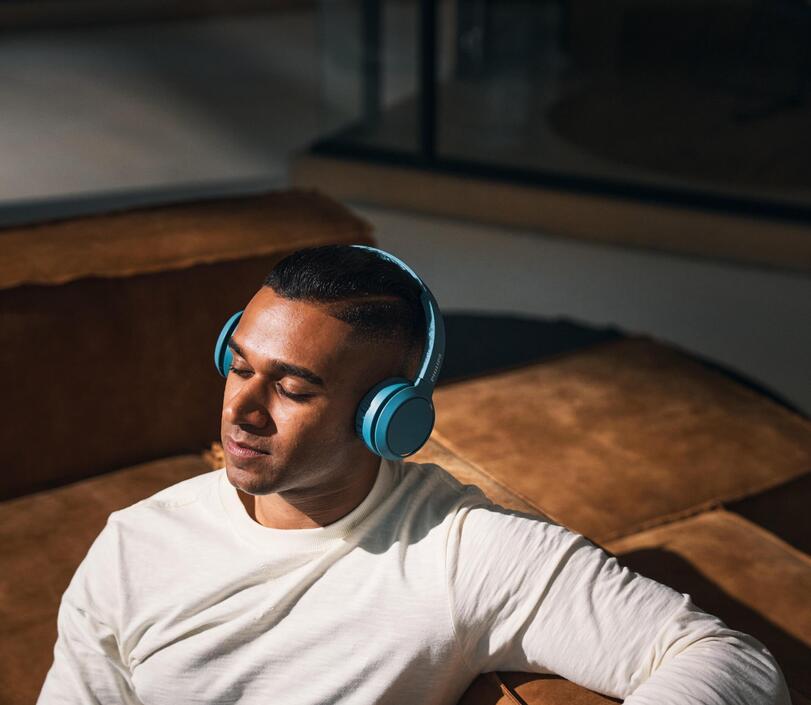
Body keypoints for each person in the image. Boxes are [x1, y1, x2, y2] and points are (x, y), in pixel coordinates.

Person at [37, 245, 790, 705]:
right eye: (238, 367)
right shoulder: (136, 543)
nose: (244, 408)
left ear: (388, 418)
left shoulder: (465, 551)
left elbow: (731, 661)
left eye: (294, 388)